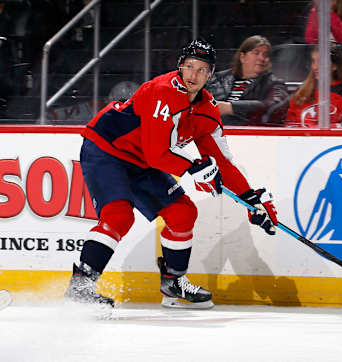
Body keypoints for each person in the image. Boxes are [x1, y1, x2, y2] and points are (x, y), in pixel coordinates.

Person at [64, 39, 278, 310]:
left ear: (210, 75)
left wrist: (251, 200)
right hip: (107, 149)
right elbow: (156, 154)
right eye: (189, 67)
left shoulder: (207, 110)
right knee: (118, 215)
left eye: (202, 70)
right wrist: (194, 168)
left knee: (183, 213)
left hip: (140, 161)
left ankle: (173, 284)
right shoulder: (162, 91)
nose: (194, 75)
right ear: (180, 67)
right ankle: (81, 288)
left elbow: (222, 162)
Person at [205, 35, 288, 126]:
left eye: (265, 55)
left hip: (250, 134)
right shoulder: (220, 78)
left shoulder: (274, 83)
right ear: (242, 57)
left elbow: (275, 108)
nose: (262, 58)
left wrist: (230, 108)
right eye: (256, 53)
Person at [285, 44, 342, 128]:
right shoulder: (302, 92)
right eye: (313, 61)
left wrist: (319, 130)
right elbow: (290, 124)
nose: (315, 67)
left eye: (321, 62)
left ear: (335, 66)